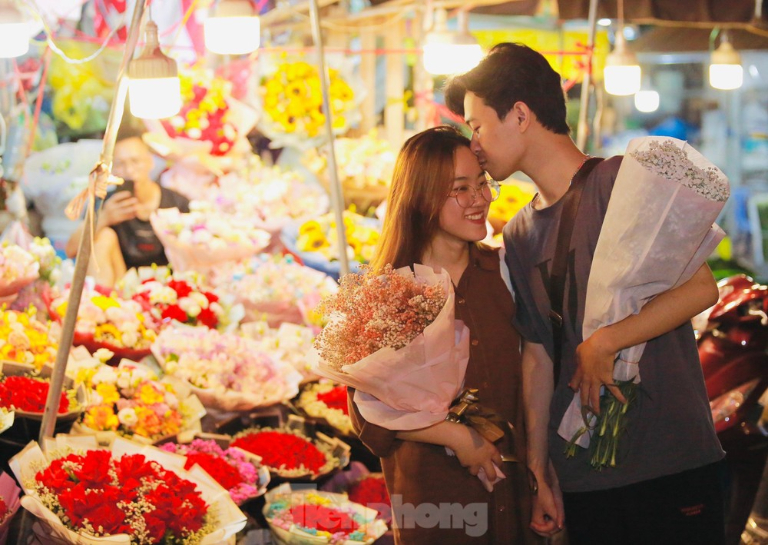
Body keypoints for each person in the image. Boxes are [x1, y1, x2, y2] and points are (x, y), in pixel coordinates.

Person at [445, 43, 726, 545]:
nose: (475, 142)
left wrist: (605, 342)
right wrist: (538, 468)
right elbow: (537, 356)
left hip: (668, 458)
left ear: (521, 115)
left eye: (477, 124)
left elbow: (701, 286)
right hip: (583, 472)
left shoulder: (618, 183)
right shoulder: (519, 234)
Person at [348, 126, 541, 545]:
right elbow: (368, 417)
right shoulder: (389, 292)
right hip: (437, 506)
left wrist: (543, 474)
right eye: (460, 188)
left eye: (482, 183)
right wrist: (455, 435)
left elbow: (535, 375)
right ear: (422, 197)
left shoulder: (508, 273)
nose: (481, 198)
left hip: (513, 494)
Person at [65, 129, 189, 287]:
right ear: (112, 170)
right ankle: (103, 301)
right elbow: (71, 250)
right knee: (104, 235)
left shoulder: (177, 202)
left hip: (169, 284)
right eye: (121, 164)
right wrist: (104, 218)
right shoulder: (104, 202)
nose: (129, 170)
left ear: (150, 162)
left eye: (135, 161)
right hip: (121, 284)